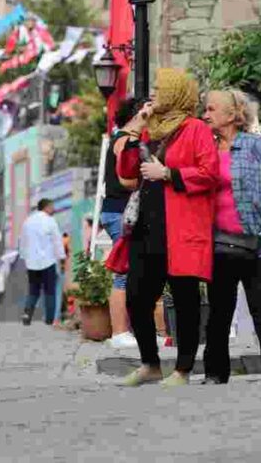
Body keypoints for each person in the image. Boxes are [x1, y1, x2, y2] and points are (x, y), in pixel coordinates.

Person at [116, 68, 218, 387]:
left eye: (160, 89)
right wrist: (136, 129)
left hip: (180, 227)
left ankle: (183, 369)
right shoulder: (150, 129)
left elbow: (209, 172)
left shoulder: (195, 129)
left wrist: (169, 174)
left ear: (175, 93)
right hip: (147, 226)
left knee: (184, 298)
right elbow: (128, 170)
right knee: (136, 296)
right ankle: (151, 363)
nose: (153, 94)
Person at [202, 90, 261, 384]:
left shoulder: (256, 146)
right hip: (220, 243)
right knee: (219, 310)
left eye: (211, 109)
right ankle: (216, 372)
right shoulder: (206, 150)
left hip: (258, 241)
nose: (206, 115)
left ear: (231, 115)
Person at [102, 97, 152, 348]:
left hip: (121, 211)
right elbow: (127, 179)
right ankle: (119, 332)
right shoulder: (125, 140)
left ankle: (129, 329)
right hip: (122, 211)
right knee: (124, 270)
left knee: (135, 270)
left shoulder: (128, 138)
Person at [18, 199, 65, 326]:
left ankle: (27, 315)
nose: (53, 209)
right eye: (52, 207)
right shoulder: (50, 221)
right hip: (48, 261)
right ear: (47, 207)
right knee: (50, 290)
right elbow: (57, 241)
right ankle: (49, 319)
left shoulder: (28, 221)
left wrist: (24, 257)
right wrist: (61, 257)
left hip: (31, 262)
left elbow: (22, 240)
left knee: (33, 290)